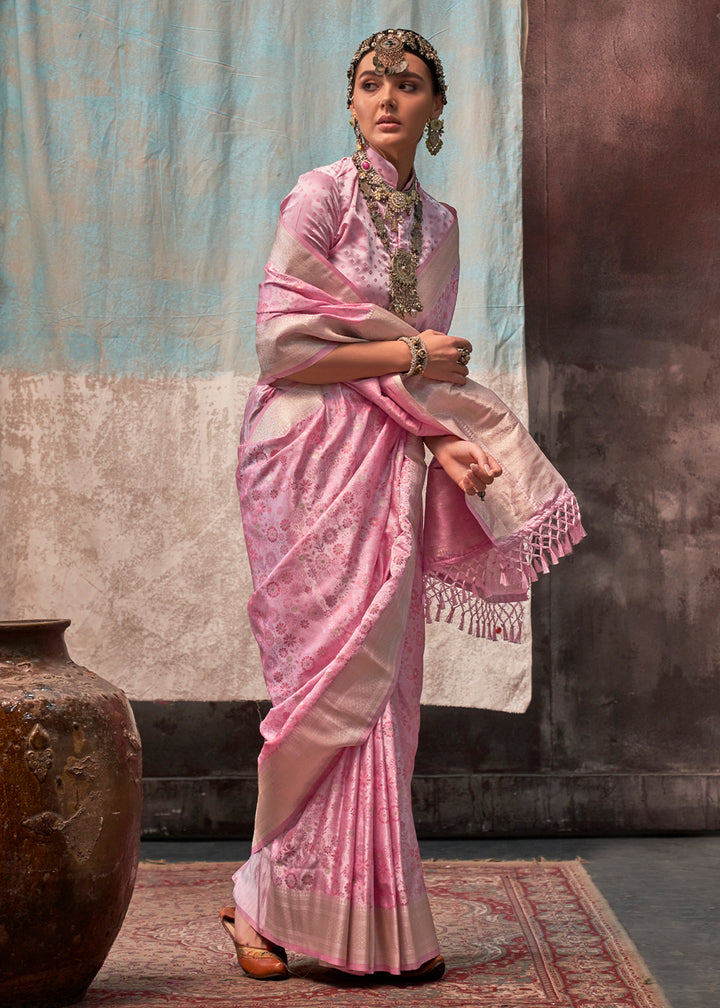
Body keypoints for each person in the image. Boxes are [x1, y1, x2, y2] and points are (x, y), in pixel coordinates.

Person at [219, 28, 584, 984]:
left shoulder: (444, 225)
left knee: (384, 690)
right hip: (301, 457)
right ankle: (261, 897)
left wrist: (445, 441)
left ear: (435, 109)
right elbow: (284, 349)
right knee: (316, 687)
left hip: (388, 457)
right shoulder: (319, 195)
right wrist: (411, 355)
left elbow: (421, 383)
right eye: (372, 83)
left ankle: (360, 923)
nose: (388, 97)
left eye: (409, 84)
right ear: (351, 103)